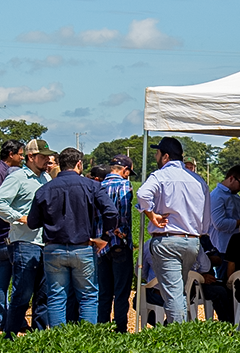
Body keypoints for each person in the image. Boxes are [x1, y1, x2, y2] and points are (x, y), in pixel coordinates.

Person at [27, 147, 118, 327]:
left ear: (60, 165)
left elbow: (32, 222)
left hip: (53, 248)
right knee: (88, 296)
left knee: (55, 296)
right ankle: (87, 339)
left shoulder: (44, 189)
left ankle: (58, 340)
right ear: (78, 164)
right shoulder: (92, 186)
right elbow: (111, 213)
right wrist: (105, 237)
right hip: (83, 247)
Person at [136, 137, 211, 325]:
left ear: (165, 156)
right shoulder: (198, 180)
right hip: (192, 241)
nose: (156, 156)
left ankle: (179, 335)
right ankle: (180, 328)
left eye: (158, 153)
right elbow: (205, 218)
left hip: (168, 240)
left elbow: (143, 194)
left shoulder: (160, 176)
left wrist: (151, 215)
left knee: (172, 294)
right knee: (179, 290)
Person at [0, 139, 55, 337]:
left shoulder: (47, 179)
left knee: (42, 294)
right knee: (22, 293)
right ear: (31, 157)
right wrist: (18, 217)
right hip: (24, 242)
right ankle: (10, 334)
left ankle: (39, 334)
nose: (47, 160)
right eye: (43, 157)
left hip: (44, 241)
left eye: (48, 157)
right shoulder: (17, 177)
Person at [0, 139, 24, 330]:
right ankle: (3, 318)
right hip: (4, 232)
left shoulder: (1, 171)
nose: (22, 157)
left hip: (5, 232)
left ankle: (6, 318)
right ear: (11, 154)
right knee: (5, 278)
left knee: (3, 277)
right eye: (21, 154)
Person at [96, 155, 135, 332]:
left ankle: (103, 327)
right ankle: (120, 328)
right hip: (119, 242)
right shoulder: (124, 185)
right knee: (121, 292)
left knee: (104, 292)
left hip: (101, 245)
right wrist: (122, 233)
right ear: (125, 170)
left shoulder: (98, 186)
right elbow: (124, 213)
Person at [209, 165, 240, 269]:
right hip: (222, 249)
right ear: (231, 178)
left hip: (235, 248)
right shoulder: (216, 196)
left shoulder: (236, 197)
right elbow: (219, 224)